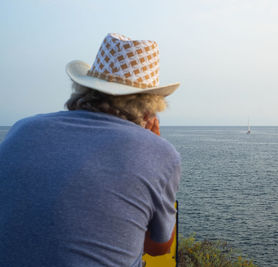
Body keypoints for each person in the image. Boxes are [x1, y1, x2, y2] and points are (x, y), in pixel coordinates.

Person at [0, 33, 181, 267]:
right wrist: (154, 145)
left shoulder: (23, 128)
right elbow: (158, 247)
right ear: (149, 111)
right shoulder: (160, 152)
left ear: (84, 89)